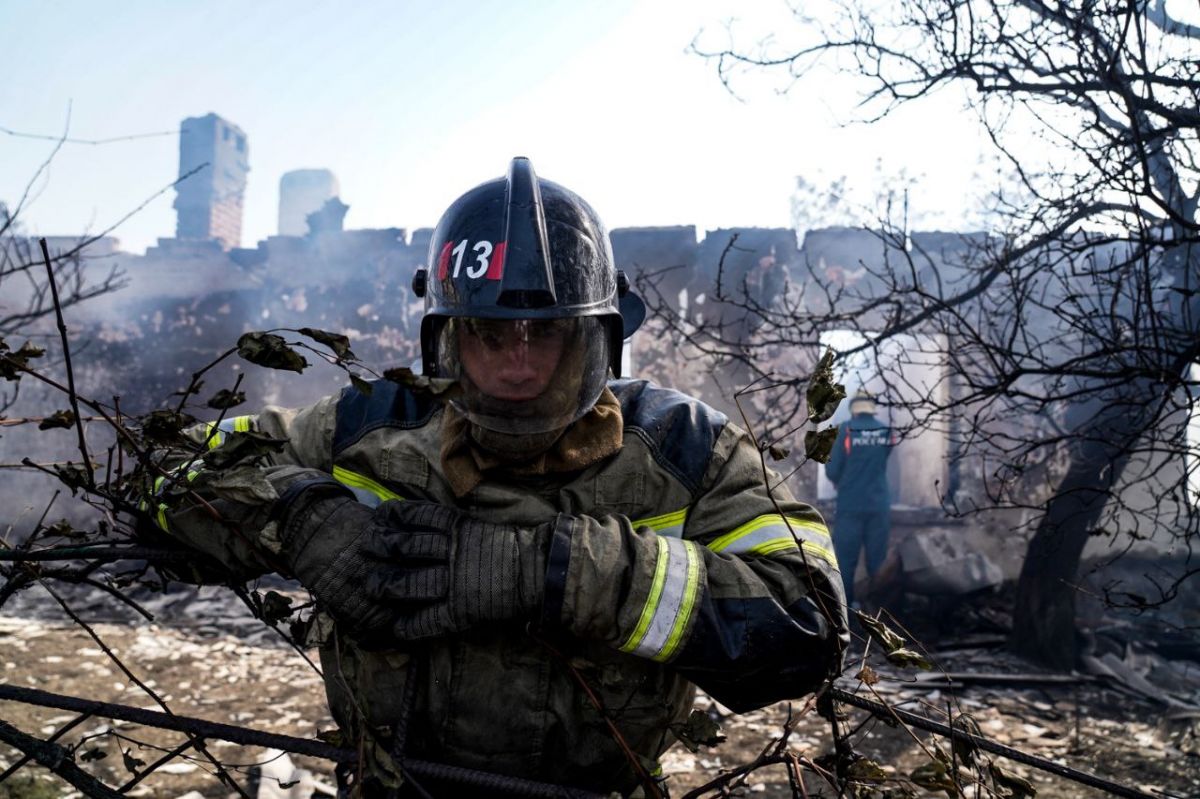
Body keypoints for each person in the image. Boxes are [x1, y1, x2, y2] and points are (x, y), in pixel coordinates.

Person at [143, 158, 846, 797]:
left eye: (544, 333)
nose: (517, 366)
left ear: (599, 336)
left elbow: (808, 625)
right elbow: (169, 470)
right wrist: (299, 517)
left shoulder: (686, 451)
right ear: (446, 337)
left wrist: (556, 571)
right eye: (488, 334)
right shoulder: (370, 429)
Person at [825, 389, 894, 609]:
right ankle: (877, 611)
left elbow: (832, 470)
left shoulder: (846, 430)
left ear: (854, 409)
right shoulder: (886, 431)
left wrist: (843, 477)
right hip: (878, 505)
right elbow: (885, 459)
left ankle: (846, 610)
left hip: (850, 505)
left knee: (846, 561)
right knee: (877, 561)